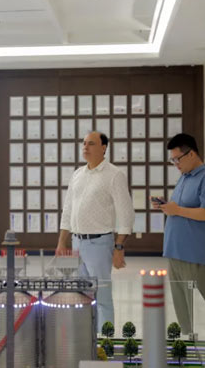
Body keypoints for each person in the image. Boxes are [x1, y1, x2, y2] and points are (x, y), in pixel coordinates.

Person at [56, 131, 134, 329]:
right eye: (84, 143)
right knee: (81, 297)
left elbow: (126, 213)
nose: (85, 147)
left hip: (99, 243)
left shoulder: (114, 175)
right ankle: (85, 339)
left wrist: (119, 247)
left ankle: (105, 341)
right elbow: (68, 209)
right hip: (76, 243)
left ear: (103, 147)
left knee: (102, 297)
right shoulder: (77, 174)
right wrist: (62, 242)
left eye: (91, 143)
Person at [152, 133, 205, 336]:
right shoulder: (184, 177)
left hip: (195, 255)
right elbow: (181, 209)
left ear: (191, 154)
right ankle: (188, 340)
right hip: (176, 252)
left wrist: (177, 210)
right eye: (172, 160)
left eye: (177, 159)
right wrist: (167, 206)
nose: (175, 164)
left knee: (200, 308)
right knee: (182, 306)